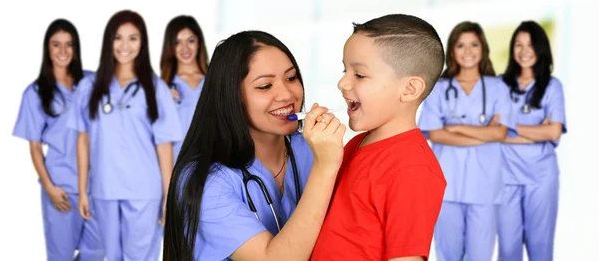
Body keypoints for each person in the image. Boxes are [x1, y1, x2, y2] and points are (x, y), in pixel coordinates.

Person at [163, 30, 346, 261]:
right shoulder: (204, 180)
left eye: (291, 78)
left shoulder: (312, 149)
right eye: (265, 86)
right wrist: (325, 167)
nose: (287, 94)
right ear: (231, 96)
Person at [310, 14, 447, 261]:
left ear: (409, 89)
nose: (342, 83)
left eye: (359, 75)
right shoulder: (355, 144)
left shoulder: (414, 169)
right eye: (345, 70)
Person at [67, 10, 182, 260]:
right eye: (118, 38)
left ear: (142, 43)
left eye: (133, 38)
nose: (124, 46)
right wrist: (83, 190)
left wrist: (168, 196)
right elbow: (83, 141)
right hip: (104, 189)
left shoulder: (155, 88)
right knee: (111, 256)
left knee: (140, 256)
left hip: (144, 191)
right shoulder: (90, 87)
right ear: (109, 42)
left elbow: (164, 145)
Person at [417, 21, 517, 260]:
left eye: (474, 44)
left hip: (484, 189)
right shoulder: (439, 88)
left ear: (483, 49)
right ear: (452, 50)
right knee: (448, 255)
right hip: (447, 187)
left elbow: (501, 133)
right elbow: (433, 133)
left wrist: (458, 127)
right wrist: (484, 133)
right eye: (461, 45)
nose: (468, 50)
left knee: (480, 256)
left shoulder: (498, 87)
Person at [12, 18, 104, 261]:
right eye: (56, 45)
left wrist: (166, 92)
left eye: (69, 44)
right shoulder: (35, 93)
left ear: (76, 49)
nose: (63, 51)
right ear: (47, 49)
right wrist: (50, 188)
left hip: (97, 186)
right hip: (61, 188)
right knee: (61, 255)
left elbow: (128, 86)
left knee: (97, 251)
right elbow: (34, 148)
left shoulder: (91, 81)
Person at [496, 21, 567, 261]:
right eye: (518, 44)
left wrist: (511, 128)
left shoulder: (552, 87)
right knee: (508, 249)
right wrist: (534, 132)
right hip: (506, 177)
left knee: (539, 247)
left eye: (530, 45)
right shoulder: (499, 85)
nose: (524, 51)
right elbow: (491, 132)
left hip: (541, 178)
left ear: (541, 49)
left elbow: (554, 132)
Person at [159, 15, 209, 161]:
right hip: (176, 164)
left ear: (199, 42)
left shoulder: (215, 81)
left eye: (190, 41)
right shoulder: (163, 87)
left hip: (211, 166)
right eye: (177, 42)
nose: (185, 48)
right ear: (170, 47)